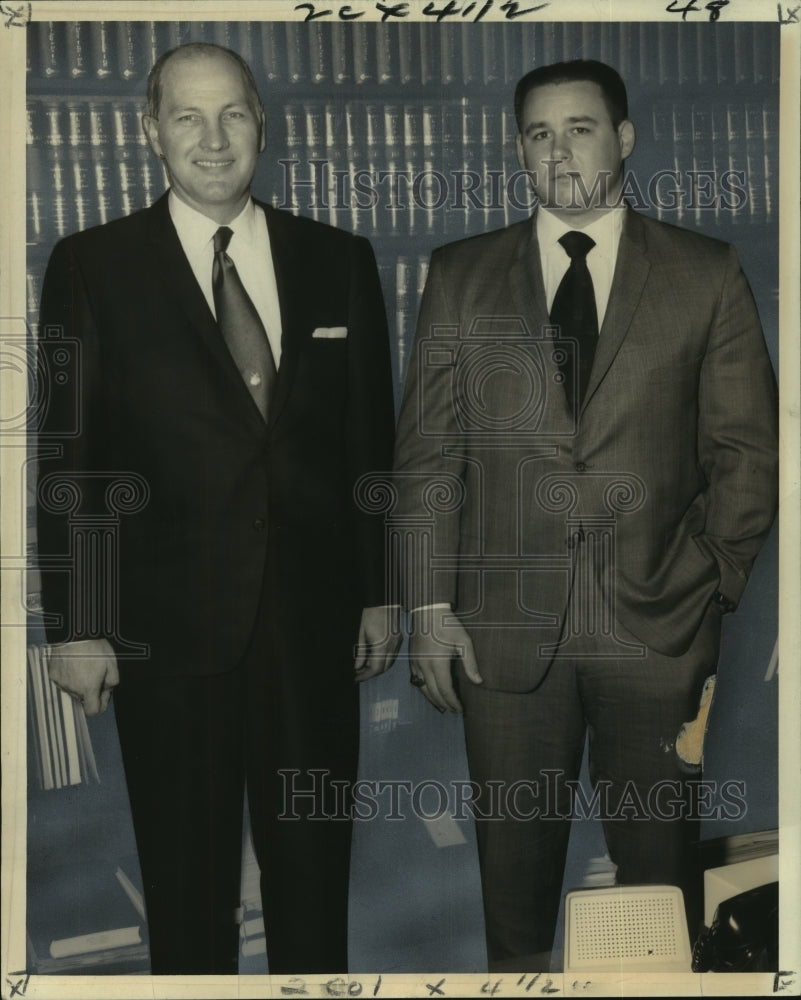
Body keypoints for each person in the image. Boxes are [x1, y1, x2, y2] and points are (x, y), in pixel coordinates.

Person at [393, 59, 778, 971]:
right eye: (538, 133)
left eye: (580, 127)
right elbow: (425, 459)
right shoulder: (460, 275)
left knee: (656, 884)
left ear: (624, 138)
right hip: (499, 635)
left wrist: (708, 585)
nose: (558, 150)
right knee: (513, 892)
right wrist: (425, 608)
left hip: (655, 630)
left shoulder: (703, 272)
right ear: (517, 151)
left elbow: (746, 453)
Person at [36, 42, 399, 975]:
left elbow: (368, 449)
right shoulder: (91, 265)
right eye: (187, 117)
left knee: (313, 879)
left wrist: (378, 593)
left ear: (261, 126)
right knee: (188, 894)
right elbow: (69, 461)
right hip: (165, 638)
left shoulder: (338, 260)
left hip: (312, 634)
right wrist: (76, 627)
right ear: (151, 132)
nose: (211, 138)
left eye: (232, 113)